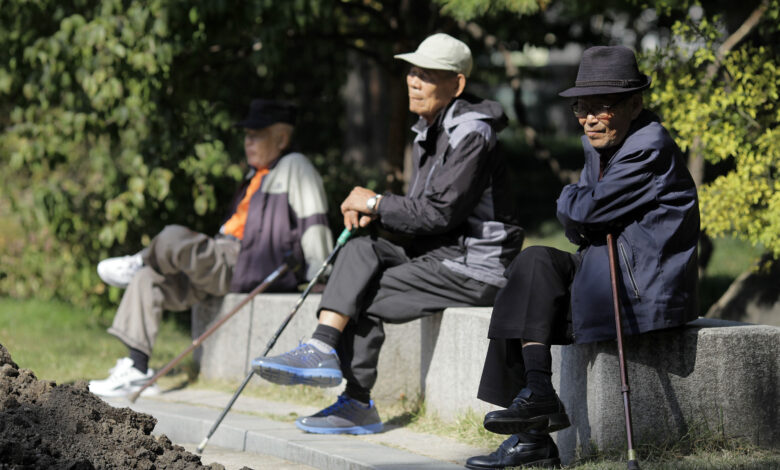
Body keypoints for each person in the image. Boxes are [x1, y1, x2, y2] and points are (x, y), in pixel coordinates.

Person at [251, 33, 524, 435]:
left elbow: (439, 214)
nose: (414, 81)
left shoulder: (471, 133)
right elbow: (424, 216)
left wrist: (376, 203)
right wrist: (375, 217)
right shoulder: (431, 130)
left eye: (428, 74)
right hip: (441, 253)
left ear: (457, 84)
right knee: (361, 249)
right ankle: (322, 346)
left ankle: (356, 400)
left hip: (477, 266)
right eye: (413, 71)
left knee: (358, 293)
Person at [465, 46, 700, 469]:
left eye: (600, 107)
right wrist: (583, 208)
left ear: (634, 104)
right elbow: (580, 226)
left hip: (641, 291)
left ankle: (531, 435)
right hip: (602, 270)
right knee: (532, 264)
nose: (588, 118)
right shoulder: (602, 145)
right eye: (581, 107)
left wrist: (573, 200)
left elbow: (584, 212)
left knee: (531, 299)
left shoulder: (648, 146)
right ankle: (537, 403)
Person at [89, 99, 334, 398]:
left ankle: (141, 260)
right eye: (246, 135)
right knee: (147, 280)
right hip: (223, 258)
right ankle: (136, 369)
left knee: (172, 236)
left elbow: (313, 221)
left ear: (282, 139)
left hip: (245, 262)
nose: (248, 142)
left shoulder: (295, 166)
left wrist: (320, 273)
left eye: (256, 135)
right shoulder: (255, 175)